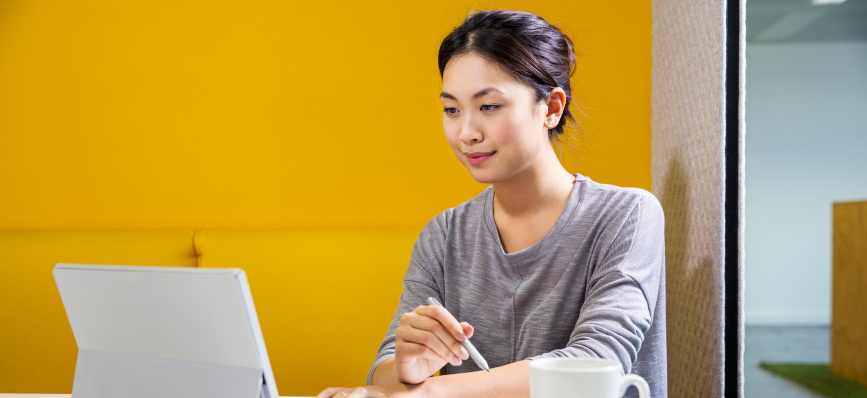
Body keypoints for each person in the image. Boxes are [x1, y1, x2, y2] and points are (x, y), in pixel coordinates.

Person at [317, 9, 666, 398]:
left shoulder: (627, 215)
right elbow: (384, 375)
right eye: (451, 109)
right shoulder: (444, 235)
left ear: (551, 108)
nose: (465, 133)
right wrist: (407, 369)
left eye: (488, 107)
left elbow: (597, 361)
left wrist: (433, 392)